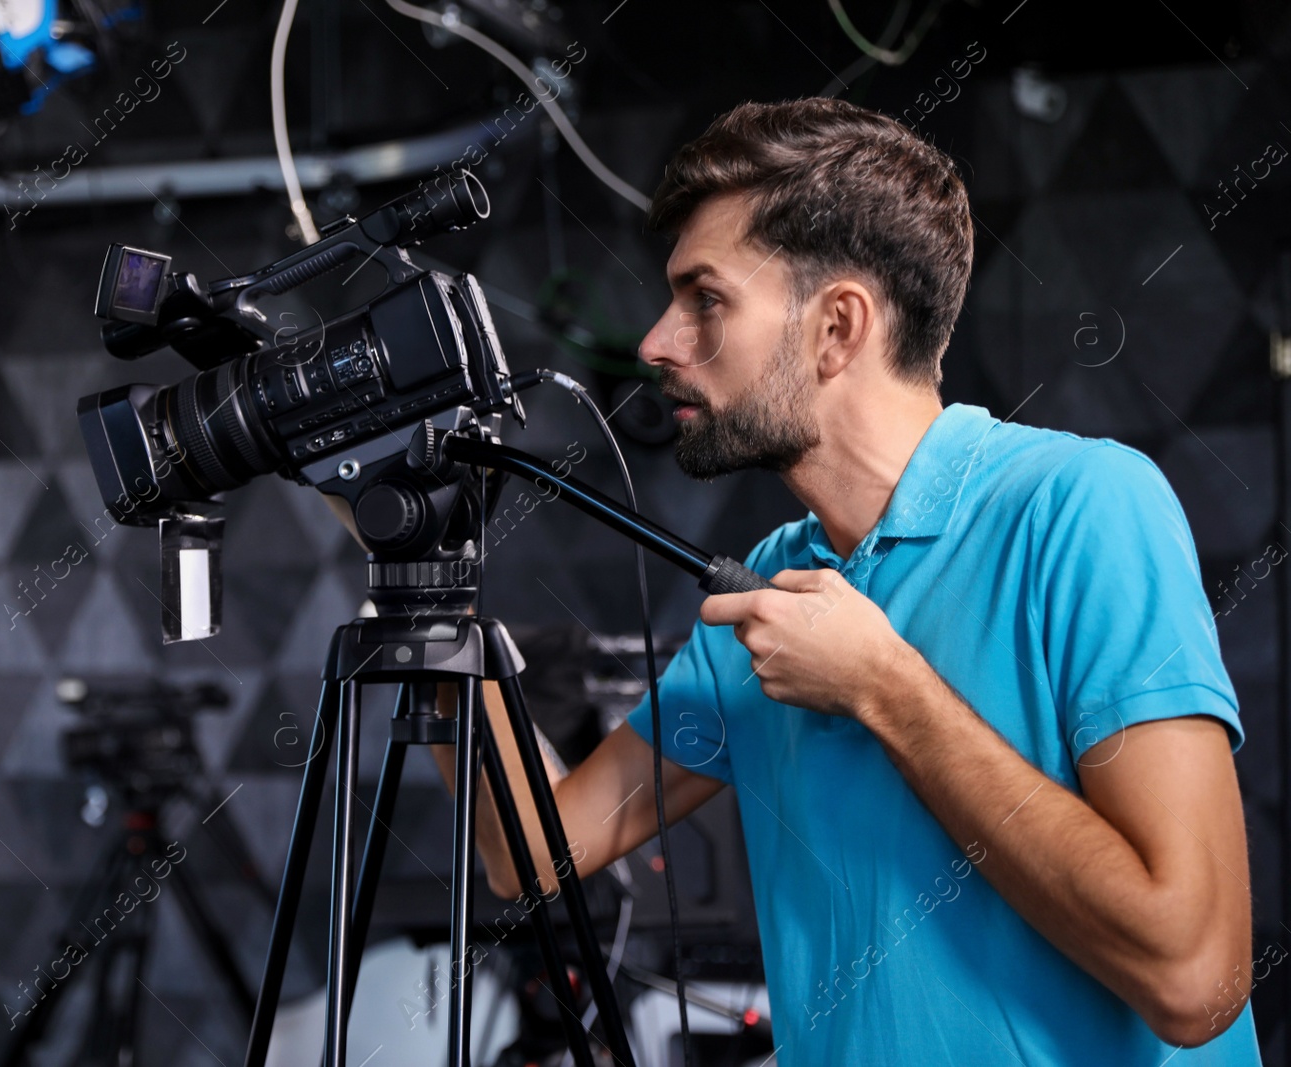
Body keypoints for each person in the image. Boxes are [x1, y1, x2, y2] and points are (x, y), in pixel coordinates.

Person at [436, 97, 1262, 1065]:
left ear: (836, 327)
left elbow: (1194, 976)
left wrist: (882, 686)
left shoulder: (1083, 508)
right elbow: (531, 853)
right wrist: (430, 599)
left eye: (705, 298)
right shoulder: (774, 589)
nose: (657, 341)